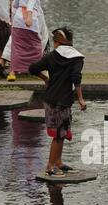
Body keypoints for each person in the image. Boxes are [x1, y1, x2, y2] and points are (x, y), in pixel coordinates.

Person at [29, 26, 87, 176]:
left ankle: (58, 162)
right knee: (59, 134)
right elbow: (76, 79)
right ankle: (50, 166)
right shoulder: (77, 58)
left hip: (50, 99)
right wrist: (80, 98)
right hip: (63, 100)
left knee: (61, 132)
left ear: (57, 42)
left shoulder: (51, 56)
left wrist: (45, 78)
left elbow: (33, 68)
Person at [7, 0, 43, 82]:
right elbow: (31, 3)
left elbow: (15, 4)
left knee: (16, 47)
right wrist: (29, 16)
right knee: (36, 46)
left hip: (18, 19)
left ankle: (12, 72)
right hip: (31, 19)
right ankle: (37, 69)